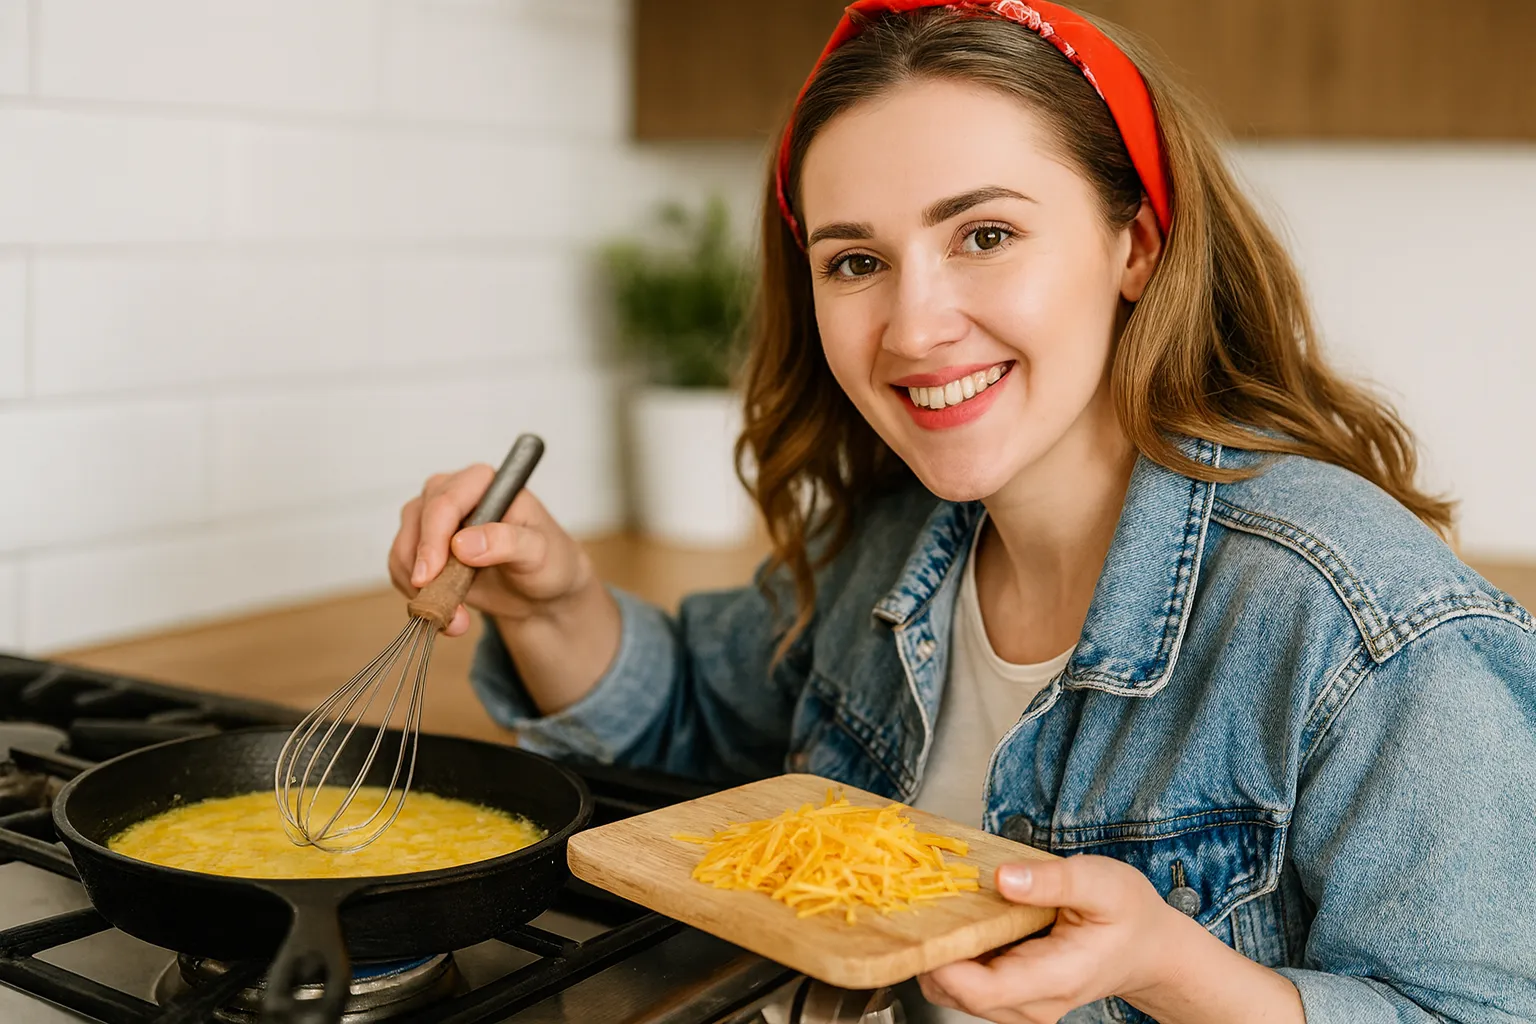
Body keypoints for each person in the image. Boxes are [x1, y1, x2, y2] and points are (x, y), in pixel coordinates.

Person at [388, 2, 1536, 1021]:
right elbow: (696, 726)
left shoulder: (1365, 629)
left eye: (984, 235)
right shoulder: (889, 543)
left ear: (1134, 242)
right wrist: (554, 602)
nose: (914, 326)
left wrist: (1177, 975)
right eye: (854, 262)